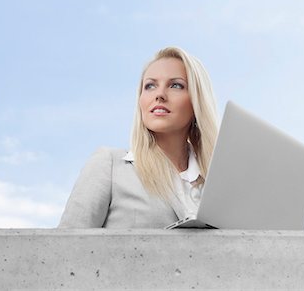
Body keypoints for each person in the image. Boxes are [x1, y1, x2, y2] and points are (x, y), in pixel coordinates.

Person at [58, 46, 219, 228]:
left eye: (176, 85)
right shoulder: (110, 166)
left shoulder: (218, 184)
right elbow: (64, 248)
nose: (159, 95)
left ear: (197, 100)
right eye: (150, 86)